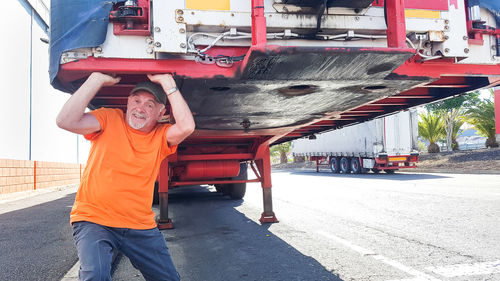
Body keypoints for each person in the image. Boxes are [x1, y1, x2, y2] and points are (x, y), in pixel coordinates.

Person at [56, 72, 195, 281]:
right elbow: (65, 121)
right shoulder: (109, 118)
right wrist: (96, 79)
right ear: (128, 103)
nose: (140, 108)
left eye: (150, 105)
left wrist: (168, 83)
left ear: (160, 112)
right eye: (136, 100)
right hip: (95, 220)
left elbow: (187, 127)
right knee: (95, 275)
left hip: (140, 226)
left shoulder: (160, 135)